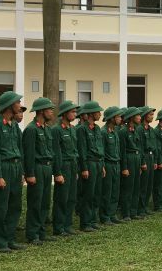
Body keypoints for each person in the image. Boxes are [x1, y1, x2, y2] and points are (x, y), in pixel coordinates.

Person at [0, 91, 26, 253]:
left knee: (15, 205)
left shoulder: (14, 126)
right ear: (10, 105)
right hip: (3, 168)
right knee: (0, 207)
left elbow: (20, 149)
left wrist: (22, 171)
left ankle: (10, 239)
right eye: (17, 102)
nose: (20, 105)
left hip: (16, 168)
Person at [23, 97, 59, 245]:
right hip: (37, 168)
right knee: (35, 202)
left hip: (47, 167)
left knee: (45, 202)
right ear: (42, 111)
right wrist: (29, 173)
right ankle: (32, 233)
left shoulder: (47, 129)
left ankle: (41, 231)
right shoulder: (31, 129)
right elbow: (29, 153)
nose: (52, 112)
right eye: (50, 109)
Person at [76, 101, 106, 232]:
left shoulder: (98, 128)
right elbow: (82, 150)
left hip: (99, 162)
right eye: (98, 112)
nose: (100, 114)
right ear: (91, 114)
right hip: (89, 163)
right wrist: (84, 168)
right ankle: (85, 222)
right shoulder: (82, 129)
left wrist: (103, 165)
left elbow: (101, 147)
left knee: (97, 193)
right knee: (88, 193)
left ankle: (93, 220)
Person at [51, 100, 79, 237]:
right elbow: (56, 152)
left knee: (72, 197)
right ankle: (59, 226)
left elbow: (75, 150)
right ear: (64, 113)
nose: (75, 114)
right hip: (63, 166)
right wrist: (57, 172)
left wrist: (77, 169)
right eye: (73, 111)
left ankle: (67, 225)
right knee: (62, 198)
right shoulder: (56, 130)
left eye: (75, 111)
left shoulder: (73, 129)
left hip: (73, 165)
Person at [100, 106, 124, 225]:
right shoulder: (103, 132)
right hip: (108, 164)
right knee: (107, 192)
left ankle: (112, 214)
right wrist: (103, 166)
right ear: (111, 118)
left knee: (115, 191)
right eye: (118, 116)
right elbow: (102, 151)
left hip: (116, 164)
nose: (120, 118)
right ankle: (105, 216)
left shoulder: (115, 132)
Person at [118, 107, 144, 221]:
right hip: (128, 159)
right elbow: (122, 151)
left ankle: (134, 212)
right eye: (137, 115)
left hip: (137, 158)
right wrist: (124, 167)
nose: (140, 117)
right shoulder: (123, 131)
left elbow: (140, 147)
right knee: (127, 188)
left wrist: (141, 163)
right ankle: (126, 213)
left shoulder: (137, 129)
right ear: (132, 117)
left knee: (136, 187)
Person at [137, 106, 157, 217]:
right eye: (150, 115)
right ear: (145, 115)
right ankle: (140, 208)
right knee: (143, 184)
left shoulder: (151, 129)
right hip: (144, 156)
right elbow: (140, 147)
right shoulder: (139, 129)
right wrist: (142, 162)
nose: (152, 116)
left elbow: (154, 146)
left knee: (149, 184)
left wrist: (154, 160)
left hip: (151, 157)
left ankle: (145, 207)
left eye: (152, 115)